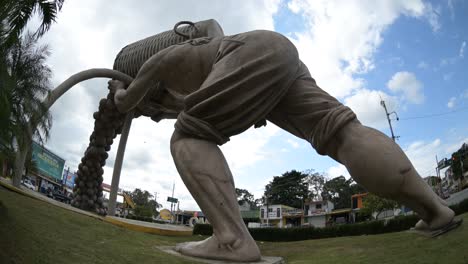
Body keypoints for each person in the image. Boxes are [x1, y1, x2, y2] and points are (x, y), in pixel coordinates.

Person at [110, 30, 459, 262]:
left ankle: (232, 239)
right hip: (279, 51)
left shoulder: (161, 61)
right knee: (341, 132)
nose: (154, 117)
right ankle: (436, 210)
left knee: (186, 138)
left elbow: (126, 102)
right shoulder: (204, 47)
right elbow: (198, 101)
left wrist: (119, 92)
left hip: (251, 56)